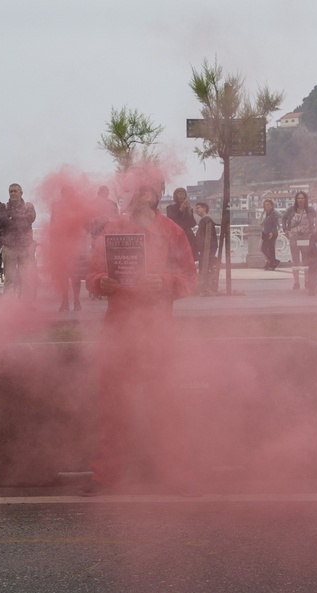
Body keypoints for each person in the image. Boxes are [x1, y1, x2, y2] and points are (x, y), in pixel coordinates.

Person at [80, 183, 198, 496]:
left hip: (157, 331)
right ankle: (107, 475)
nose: (142, 198)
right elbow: (91, 275)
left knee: (165, 404)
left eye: (149, 192)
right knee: (114, 404)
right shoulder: (113, 229)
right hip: (118, 330)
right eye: (138, 191)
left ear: (157, 195)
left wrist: (165, 282)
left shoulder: (172, 231)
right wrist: (101, 282)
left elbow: (189, 279)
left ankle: (176, 474)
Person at [0, 183, 37, 303]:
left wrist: (12, 218)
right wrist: (20, 218)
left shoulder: (28, 206)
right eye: (11, 191)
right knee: (10, 278)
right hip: (9, 247)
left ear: (21, 192)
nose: (13, 193)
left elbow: (30, 218)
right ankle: (9, 304)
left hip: (25, 247)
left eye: (15, 191)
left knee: (27, 277)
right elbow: (1, 221)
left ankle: (28, 303)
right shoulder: (4, 207)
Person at [282, 191, 316, 290]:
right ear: (296, 200)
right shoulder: (291, 210)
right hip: (294, 237)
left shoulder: (310, 210)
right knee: (295, 260)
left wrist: (314, 230)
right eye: (299, 198)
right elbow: (283, 219)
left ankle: (307, 281)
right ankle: (296, 282)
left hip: (306, 237)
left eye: (302, 198)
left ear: (305, 199)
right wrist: (285, 229)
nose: (300, 200)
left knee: (306, 260)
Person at [166, 187, 198, 261]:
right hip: (176, 235)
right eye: (180, 194)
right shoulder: (170, 208)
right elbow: (171, 219)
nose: (182, 196)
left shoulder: (188, 208)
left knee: (190, 256)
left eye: (184, 194)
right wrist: (181, 209)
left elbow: (192, 224)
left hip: (188, 235)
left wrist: (190, 213)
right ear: (176, 196)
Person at [195, 202, 218, 296]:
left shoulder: (207, 220)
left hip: (207, 249)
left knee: (206, 266)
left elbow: (207, 236)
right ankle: (206, 286)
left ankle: (205, 287)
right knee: (206, 266)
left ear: (204, 208)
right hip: (206, 248)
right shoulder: (205, 220)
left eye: (198, 208)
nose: (196, 210)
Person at [259, 199, 281, 270]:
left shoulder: (274, 213)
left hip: (271, 234)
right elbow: (268, 221)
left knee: (270, 249)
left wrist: (272, 232)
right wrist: (263, 222)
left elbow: (275, 224)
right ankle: (273, 262)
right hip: (266, 234)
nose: (266, 206)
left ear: (272, 205)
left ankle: (271, 263)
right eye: (265, 205)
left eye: (268, 204)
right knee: (264, 249)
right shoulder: (267, 213)